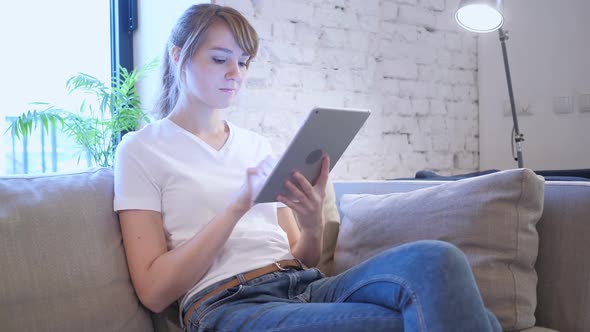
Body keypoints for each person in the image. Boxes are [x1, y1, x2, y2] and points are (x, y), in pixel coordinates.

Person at [113, 4, 502, 332]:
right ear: (178, 55)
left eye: (244, 62)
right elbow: (154, 290)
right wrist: (236, 207)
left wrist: (312, 220)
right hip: (228, 304)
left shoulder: (257, 146)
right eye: (220, 59)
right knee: (457, 318)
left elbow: (305, 257)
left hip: (304, 284)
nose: (236, 73)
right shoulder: (141, 150)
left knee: (439, 259)